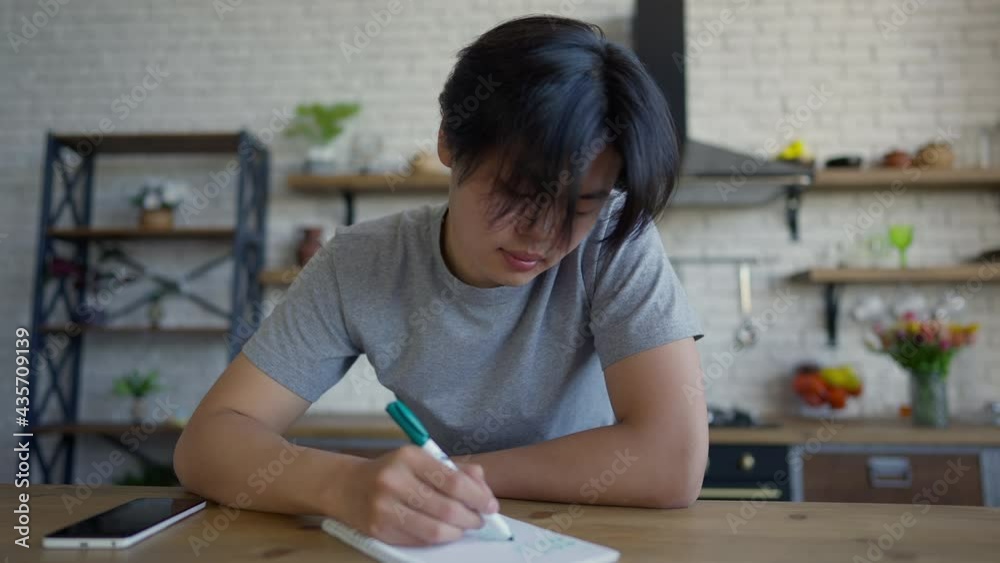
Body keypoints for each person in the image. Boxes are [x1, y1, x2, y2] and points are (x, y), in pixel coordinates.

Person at [174, 15, 707, 547]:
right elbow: (208, 442)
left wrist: (448, 477)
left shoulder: (615, 240)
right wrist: (345, 484)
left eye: (582, 206)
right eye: (519, 193)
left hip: (595, 535)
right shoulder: (360, 264)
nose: (543, 236)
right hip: (454, 540)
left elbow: (672, 461)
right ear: (449, 142)